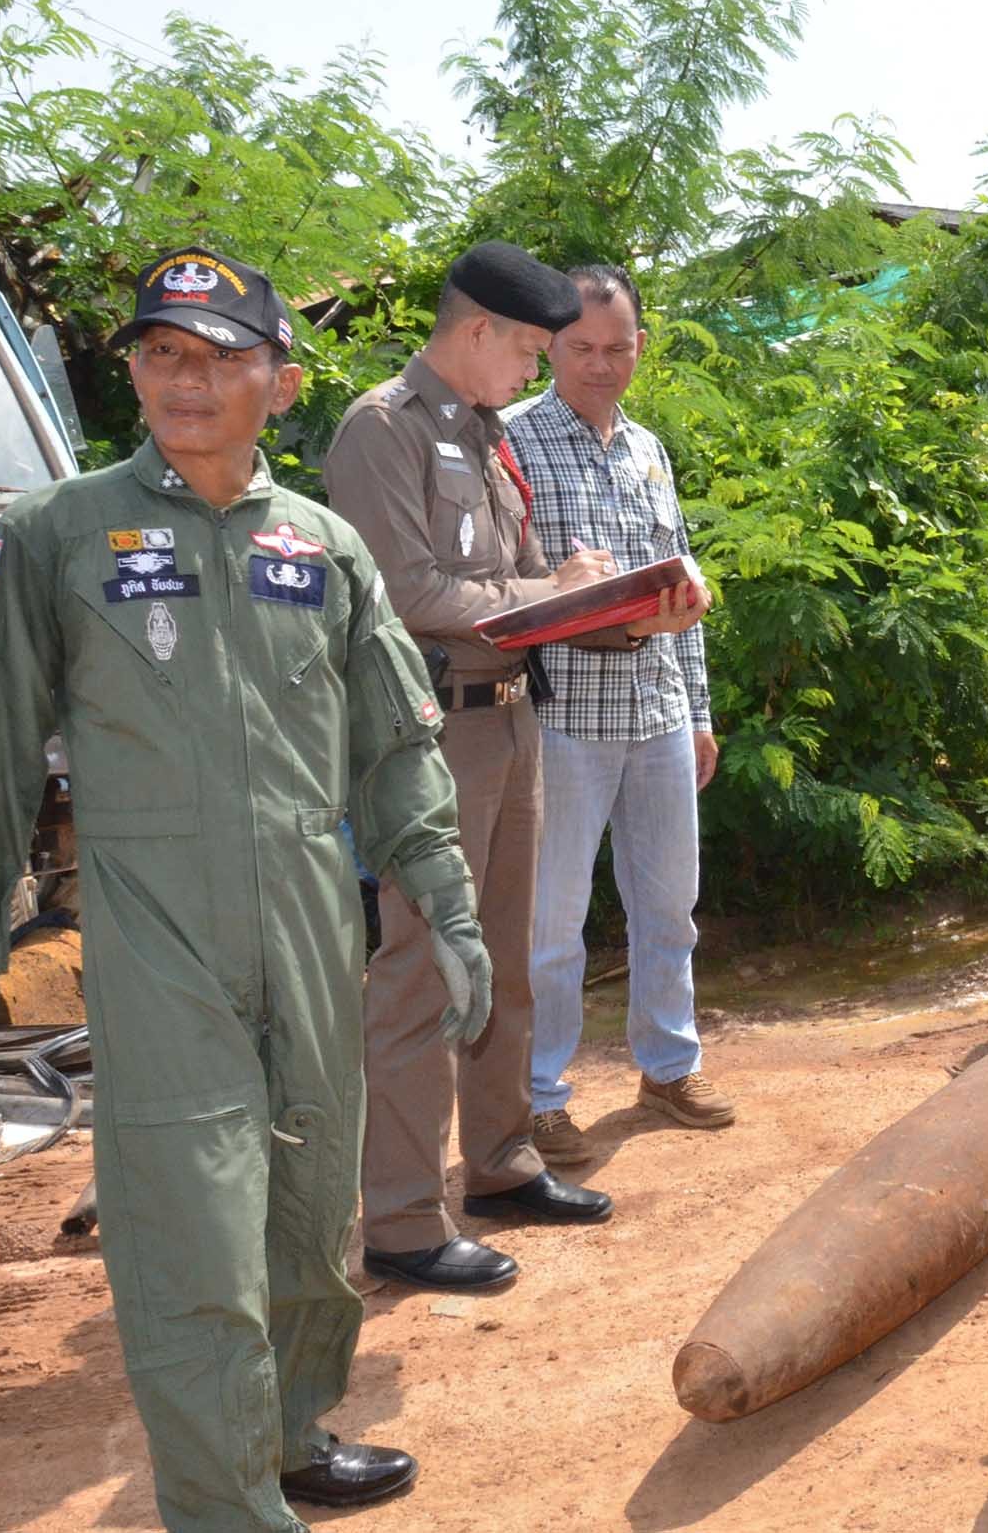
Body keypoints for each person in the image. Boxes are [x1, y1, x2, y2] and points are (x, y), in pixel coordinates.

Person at [0, 247, 479, 1527]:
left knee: (304, 1215)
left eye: (223, 357)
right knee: (195, 1238)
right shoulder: (56, 533)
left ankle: (286, 1433)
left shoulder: (324, 547)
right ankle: (225, 1506)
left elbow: (392, 746)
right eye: (162, 352)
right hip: (155, 929)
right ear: (131, 369)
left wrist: (443, 900)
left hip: (306, 916)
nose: (188, 379)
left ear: (280, 385)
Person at [324, 242, 619, 1292]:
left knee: (500, 952)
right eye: (532, 352)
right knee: (418, 971)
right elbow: (402, 590)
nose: (536, 374)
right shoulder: (381, 430)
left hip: (506, 720)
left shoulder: (486, 437)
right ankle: (402, 1220)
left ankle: (498, 1163)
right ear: (478, 331)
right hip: (422, 735)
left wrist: (582, 591)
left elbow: (493, 577)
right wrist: (544, 597)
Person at [508, 262, 731, 1158]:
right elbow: (501, 594)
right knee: (551, 927)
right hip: (562, 719)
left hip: (659, 714)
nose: (601, 365)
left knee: (669, 906)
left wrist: (701, 709)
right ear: (551, 346)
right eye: (582, 347)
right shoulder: (513, 443)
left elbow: (681, 579)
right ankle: (538, 1094)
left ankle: (669, 1065)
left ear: (641, 346)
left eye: (619, 347)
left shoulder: (647, 447)